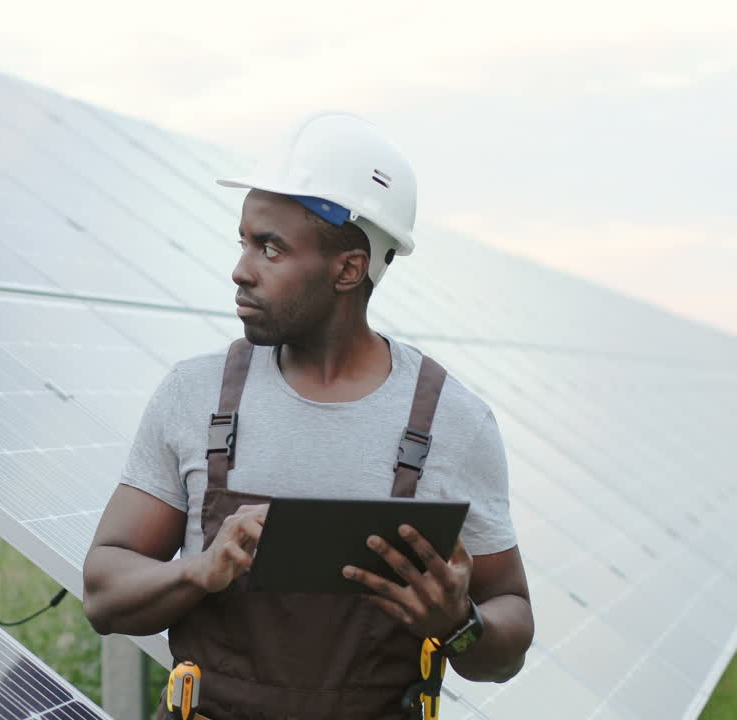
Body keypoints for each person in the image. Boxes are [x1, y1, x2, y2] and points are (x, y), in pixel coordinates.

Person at [81, 111, 533, 719]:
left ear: (348, 268)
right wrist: (198, 572)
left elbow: (508, 632)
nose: (241, 269)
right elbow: (103, 592)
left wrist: (460, 623)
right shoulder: (194, 396)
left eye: (270, 248)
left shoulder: (453, 422)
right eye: (244, 241)